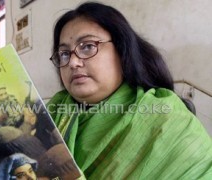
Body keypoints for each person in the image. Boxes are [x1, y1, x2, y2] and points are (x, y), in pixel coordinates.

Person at [47, 2, 212, 179]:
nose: (73, 62)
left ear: (122, 49)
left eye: (87, 46)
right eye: (64, 54)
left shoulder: (168, 121)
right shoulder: (52, 113)